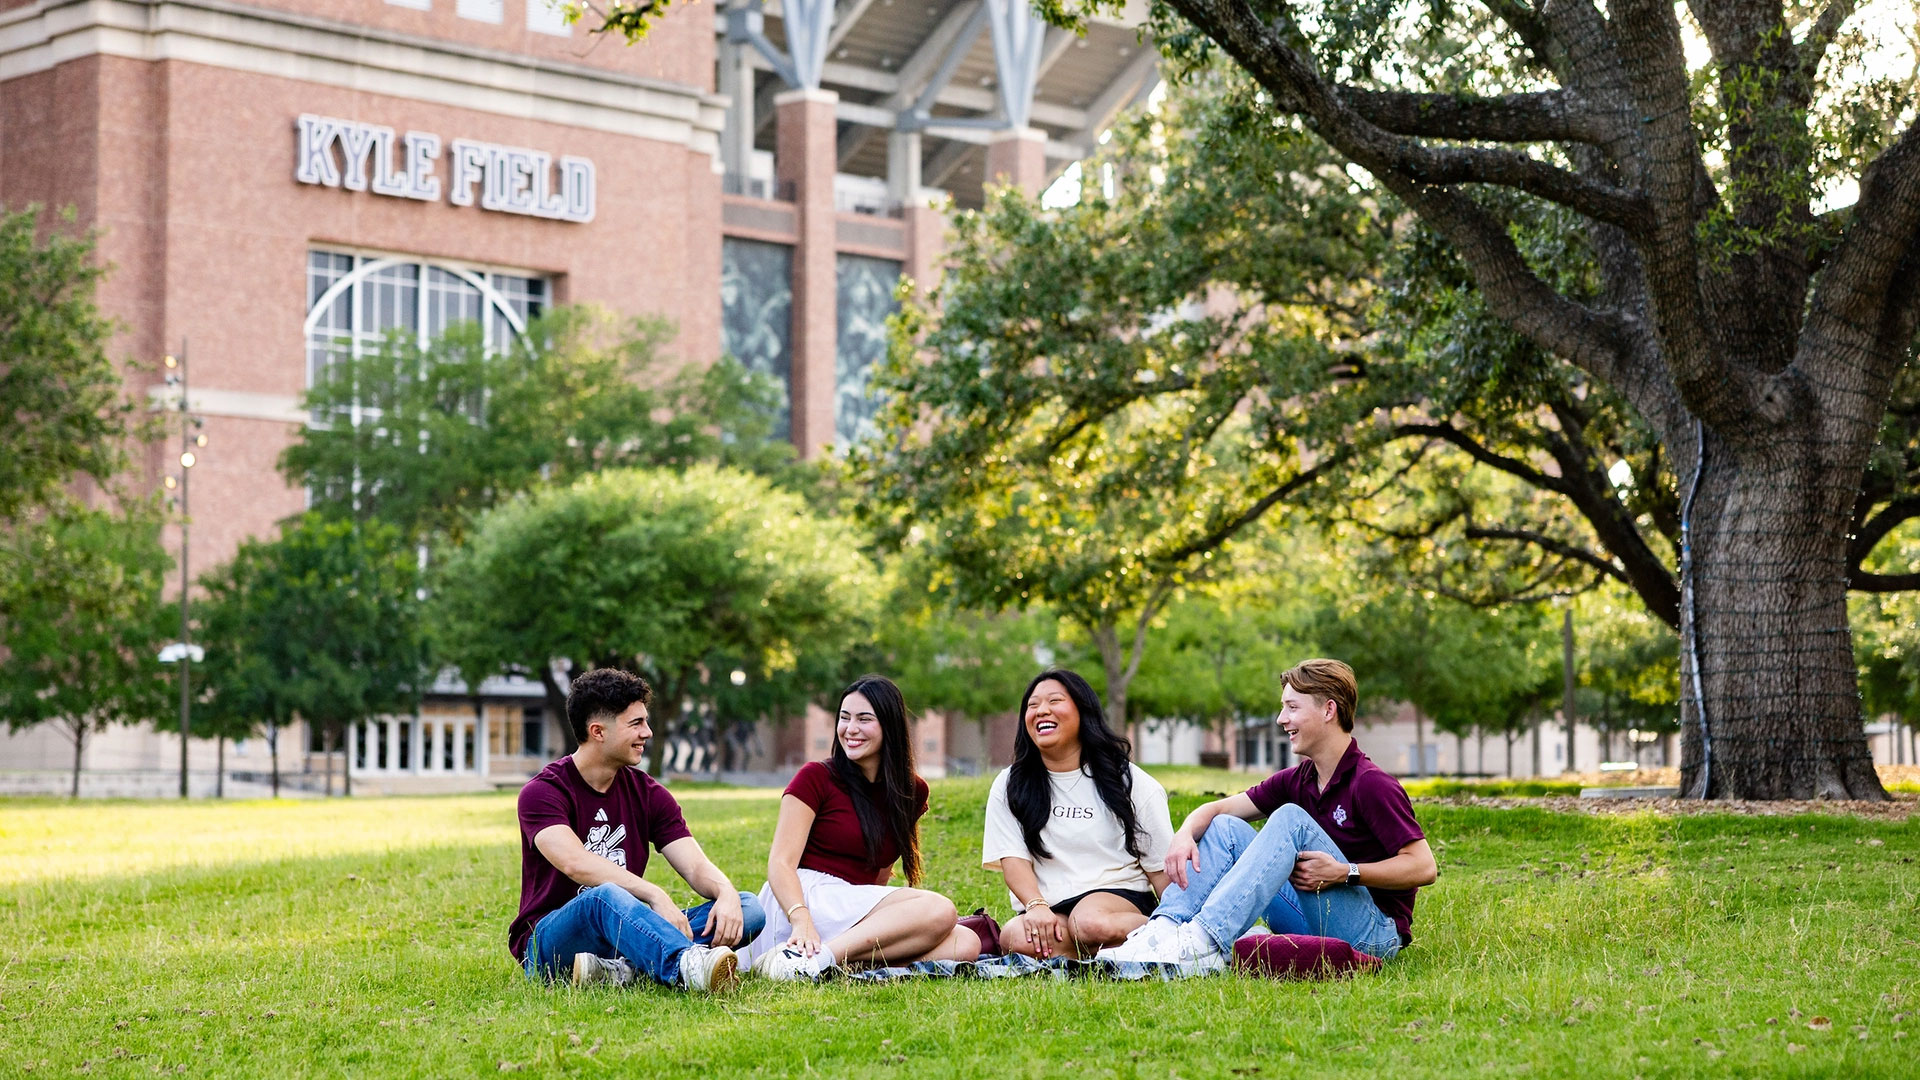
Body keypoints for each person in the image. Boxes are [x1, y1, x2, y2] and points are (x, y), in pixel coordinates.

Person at [1101, 658, 1437, 972]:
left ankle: (1201, 940)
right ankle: (1164, 930)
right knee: (1227, 828)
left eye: (1292, 707)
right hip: (1312, 917)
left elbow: (1423, 867)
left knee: (1290, 819)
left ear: (1328, 711)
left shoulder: (1371, 784)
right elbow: (1218, 809)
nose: (1281, 719)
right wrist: (1185, 833)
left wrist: (1344, 872)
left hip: (1374, 934)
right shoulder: (1299, 779)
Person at [509, 668, 765, 992]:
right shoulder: (543, 792)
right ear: (598, 731)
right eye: (636, 724)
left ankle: (620, 971)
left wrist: (725, 893)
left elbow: (695, 865)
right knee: (605, 897)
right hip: (549, 946)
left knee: (748, 908)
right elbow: (575, 862)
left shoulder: (648, 793)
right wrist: (653, 893)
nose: (649, 732)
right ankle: (686, 965)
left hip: (624, 932)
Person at [748, 675, 979, 980]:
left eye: (864, 719)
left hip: (851, 907)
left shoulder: (911, 791)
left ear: (890, 726)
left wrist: (886, 925)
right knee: (941, 910)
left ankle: (818, 962)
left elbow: (880, 871)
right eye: (844, 718)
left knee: (966, 943)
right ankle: (814, 961)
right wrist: (801, 918)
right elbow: (780, 863)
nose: (850, 729)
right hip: (803, 900)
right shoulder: (815, 777)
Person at [983, 669, 1173, 959]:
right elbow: (1013, 859)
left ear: (1083, 712)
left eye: (1055, 701)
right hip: (1051, 909)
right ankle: (1109, 950)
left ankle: (1163, 933)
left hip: (1117, 900)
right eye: (1032, 706)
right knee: (1014, 937)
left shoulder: (1130, 782)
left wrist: (1182, 918)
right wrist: (1035, 905)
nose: (1041, 711)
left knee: (1088, 923)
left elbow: (1159, 868)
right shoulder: (1011, 783)